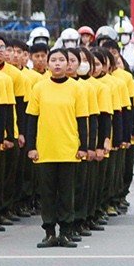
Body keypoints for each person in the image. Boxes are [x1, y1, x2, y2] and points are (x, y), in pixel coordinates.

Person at [23, 47, 93, 252]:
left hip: (68, 149)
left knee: (66, 193)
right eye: (53, 60)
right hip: (45, 149)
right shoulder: (39, 88)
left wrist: (84, 147)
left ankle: (66, 231)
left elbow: (82, 120)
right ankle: (49, 232)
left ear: (69, 64)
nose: (57, 64)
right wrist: (31, 147)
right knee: (47, 194)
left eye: (62, 60)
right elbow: (31, 120)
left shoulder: (76, 88)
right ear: (47, 63)